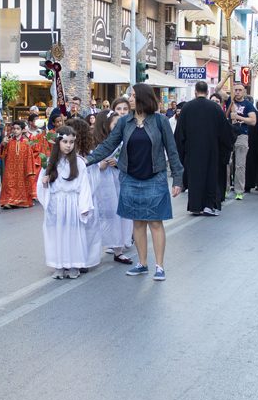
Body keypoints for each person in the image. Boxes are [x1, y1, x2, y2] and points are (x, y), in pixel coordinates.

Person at [85, 84, 182, 281]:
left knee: (155, 222)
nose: (129, 98)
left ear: (144, 98)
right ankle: (142, 264)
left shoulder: (160, 121)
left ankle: (160, 266)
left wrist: (178, 179)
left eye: (133, 95)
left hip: (155, 177)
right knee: (137, 223)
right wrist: (87, 161)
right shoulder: (125, 123)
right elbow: (108, 145)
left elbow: (172, 150)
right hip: (130, 178)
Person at [37, 125, 94, 279]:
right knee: (57, 234)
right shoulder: (50, 162)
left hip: (72, 204)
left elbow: (84, 186)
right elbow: (43, 187)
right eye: (65, 142)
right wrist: (44, 182)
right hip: (56, 203)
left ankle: (74, 265)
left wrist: (84, 206)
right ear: (58, 142)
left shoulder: (80, 163)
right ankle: (59, 265)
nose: (68, 145)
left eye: (71, 142)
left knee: (73, 234)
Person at [176, 81, 234, 215]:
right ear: (207, 92)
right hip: (211, 150)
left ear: (195, 92)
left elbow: (180, 132)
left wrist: (181, 151)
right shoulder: (215, 108)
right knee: (210, 176)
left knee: (195, 177)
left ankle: (195, 206)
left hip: (192, 151)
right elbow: (225, 131)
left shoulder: (187, 107)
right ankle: (209, 205)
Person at [90, 111, 133, 264]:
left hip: (117, 181)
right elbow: (88, 162)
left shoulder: (122, 142)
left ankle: (118, 249)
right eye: (115, 124)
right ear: (105, 125)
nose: (118, 127)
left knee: (118, 214)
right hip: (101, 183)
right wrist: (98, 165)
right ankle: (92, 252)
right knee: (100, 215)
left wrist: (118, 162)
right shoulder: (95, 143)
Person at [66, 117, 102, 268]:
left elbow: (94, 179)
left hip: (85, 198)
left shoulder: (89, 156)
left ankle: (85, 260)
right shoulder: (64, 155)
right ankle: (70, 259)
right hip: (68, 199)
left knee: (88, 230)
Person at [227, 83, 258, 200]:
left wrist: (239, 117)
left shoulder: (248, 105)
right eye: (236, 90)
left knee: (240, 165)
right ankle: (225, 188)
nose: (238, 92)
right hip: (229, 135)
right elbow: (218, 89)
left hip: (242, 135)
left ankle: (239, 190)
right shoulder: (230, 101)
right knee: (227, 163)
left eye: (240, 90)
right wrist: (226, 77)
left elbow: (253, 121)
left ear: (244, 92)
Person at [0, 120, 37, 209]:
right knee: (9, 184)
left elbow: (30, 157)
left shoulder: (26, 142)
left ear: (22, 130)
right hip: (10, 168)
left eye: (17, 129)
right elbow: (2, 155)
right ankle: (9, 201)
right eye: (14, 129)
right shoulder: (8, 141)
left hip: (22, 169)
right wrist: (3, 144)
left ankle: (20, 201)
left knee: (22, 185)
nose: (15, 130)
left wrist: (29, 169)